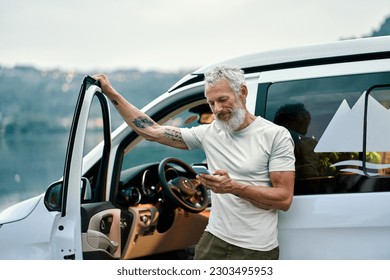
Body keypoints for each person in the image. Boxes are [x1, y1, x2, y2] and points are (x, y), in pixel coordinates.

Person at [93, 65, 295, 260]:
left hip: (255, 250)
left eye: (223, 100)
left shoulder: (275, 136)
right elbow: (151, 131)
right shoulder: (210, 133)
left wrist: (233, 187)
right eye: (211, 103)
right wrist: (111, 92)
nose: (217, 109)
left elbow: (283, 199)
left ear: (242, 92)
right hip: (214, 240)